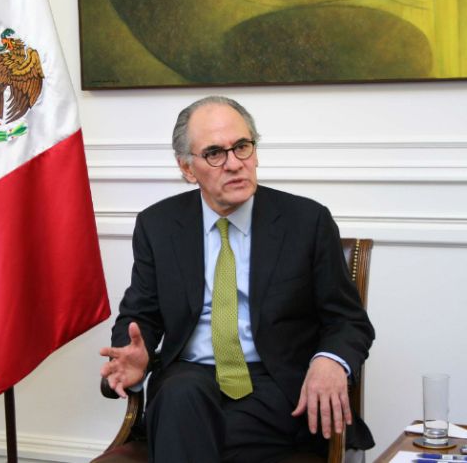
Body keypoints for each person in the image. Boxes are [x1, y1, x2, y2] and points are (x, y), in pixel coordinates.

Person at [100, 96, 375, 462]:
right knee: (180, 397)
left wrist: (329, 361)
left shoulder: (306, 222)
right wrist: (136, 357)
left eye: (242, 147)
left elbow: (348, 321)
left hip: (276, 384)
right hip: (190, 377)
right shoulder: (158, 225)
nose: (234, 164)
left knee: (187, 430)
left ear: (255, 151)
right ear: (187, 168)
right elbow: (141, 316)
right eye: (215, 153)